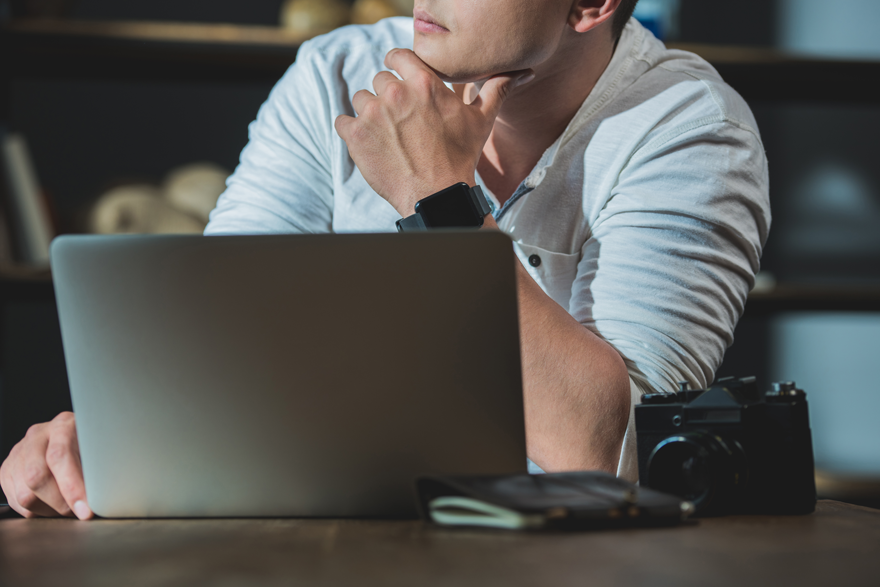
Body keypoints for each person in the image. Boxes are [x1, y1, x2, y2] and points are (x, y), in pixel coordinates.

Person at [0, 0, 770, 520]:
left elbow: (609, 456)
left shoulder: (689, 129)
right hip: (317, 533)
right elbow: (209, 346)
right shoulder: (333, 76)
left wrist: (440, 197)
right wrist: (100, 442)